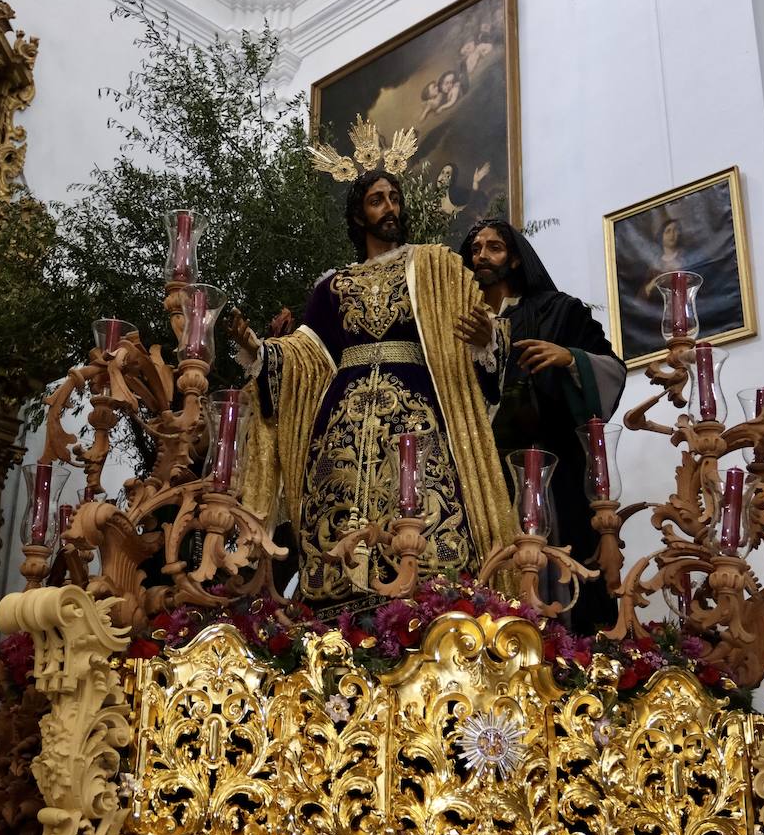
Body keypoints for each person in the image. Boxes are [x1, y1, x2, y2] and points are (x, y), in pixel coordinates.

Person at [238, 169, 516, 608]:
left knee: (424, 518)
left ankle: (428, 607)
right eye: (377, 200)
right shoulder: (331, 286)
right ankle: (337, 614)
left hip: (416, 420)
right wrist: (259, 351)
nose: (390, 207)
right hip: (343, 427)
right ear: (358, 216)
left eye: (394, 198)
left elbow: (474, 335)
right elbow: (308, 352)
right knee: (334, 514)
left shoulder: (434, 268)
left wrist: (486, 340)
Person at [458, 219, 626, 633]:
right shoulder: (457, 323)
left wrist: (570, 358)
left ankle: (558, 646)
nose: (482, 256)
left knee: (546, 575)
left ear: (515, 259)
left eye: (494, 247)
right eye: (475, 248)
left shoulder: (559, 310)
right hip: (474, 473)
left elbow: (612, 370)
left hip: (543, 468)